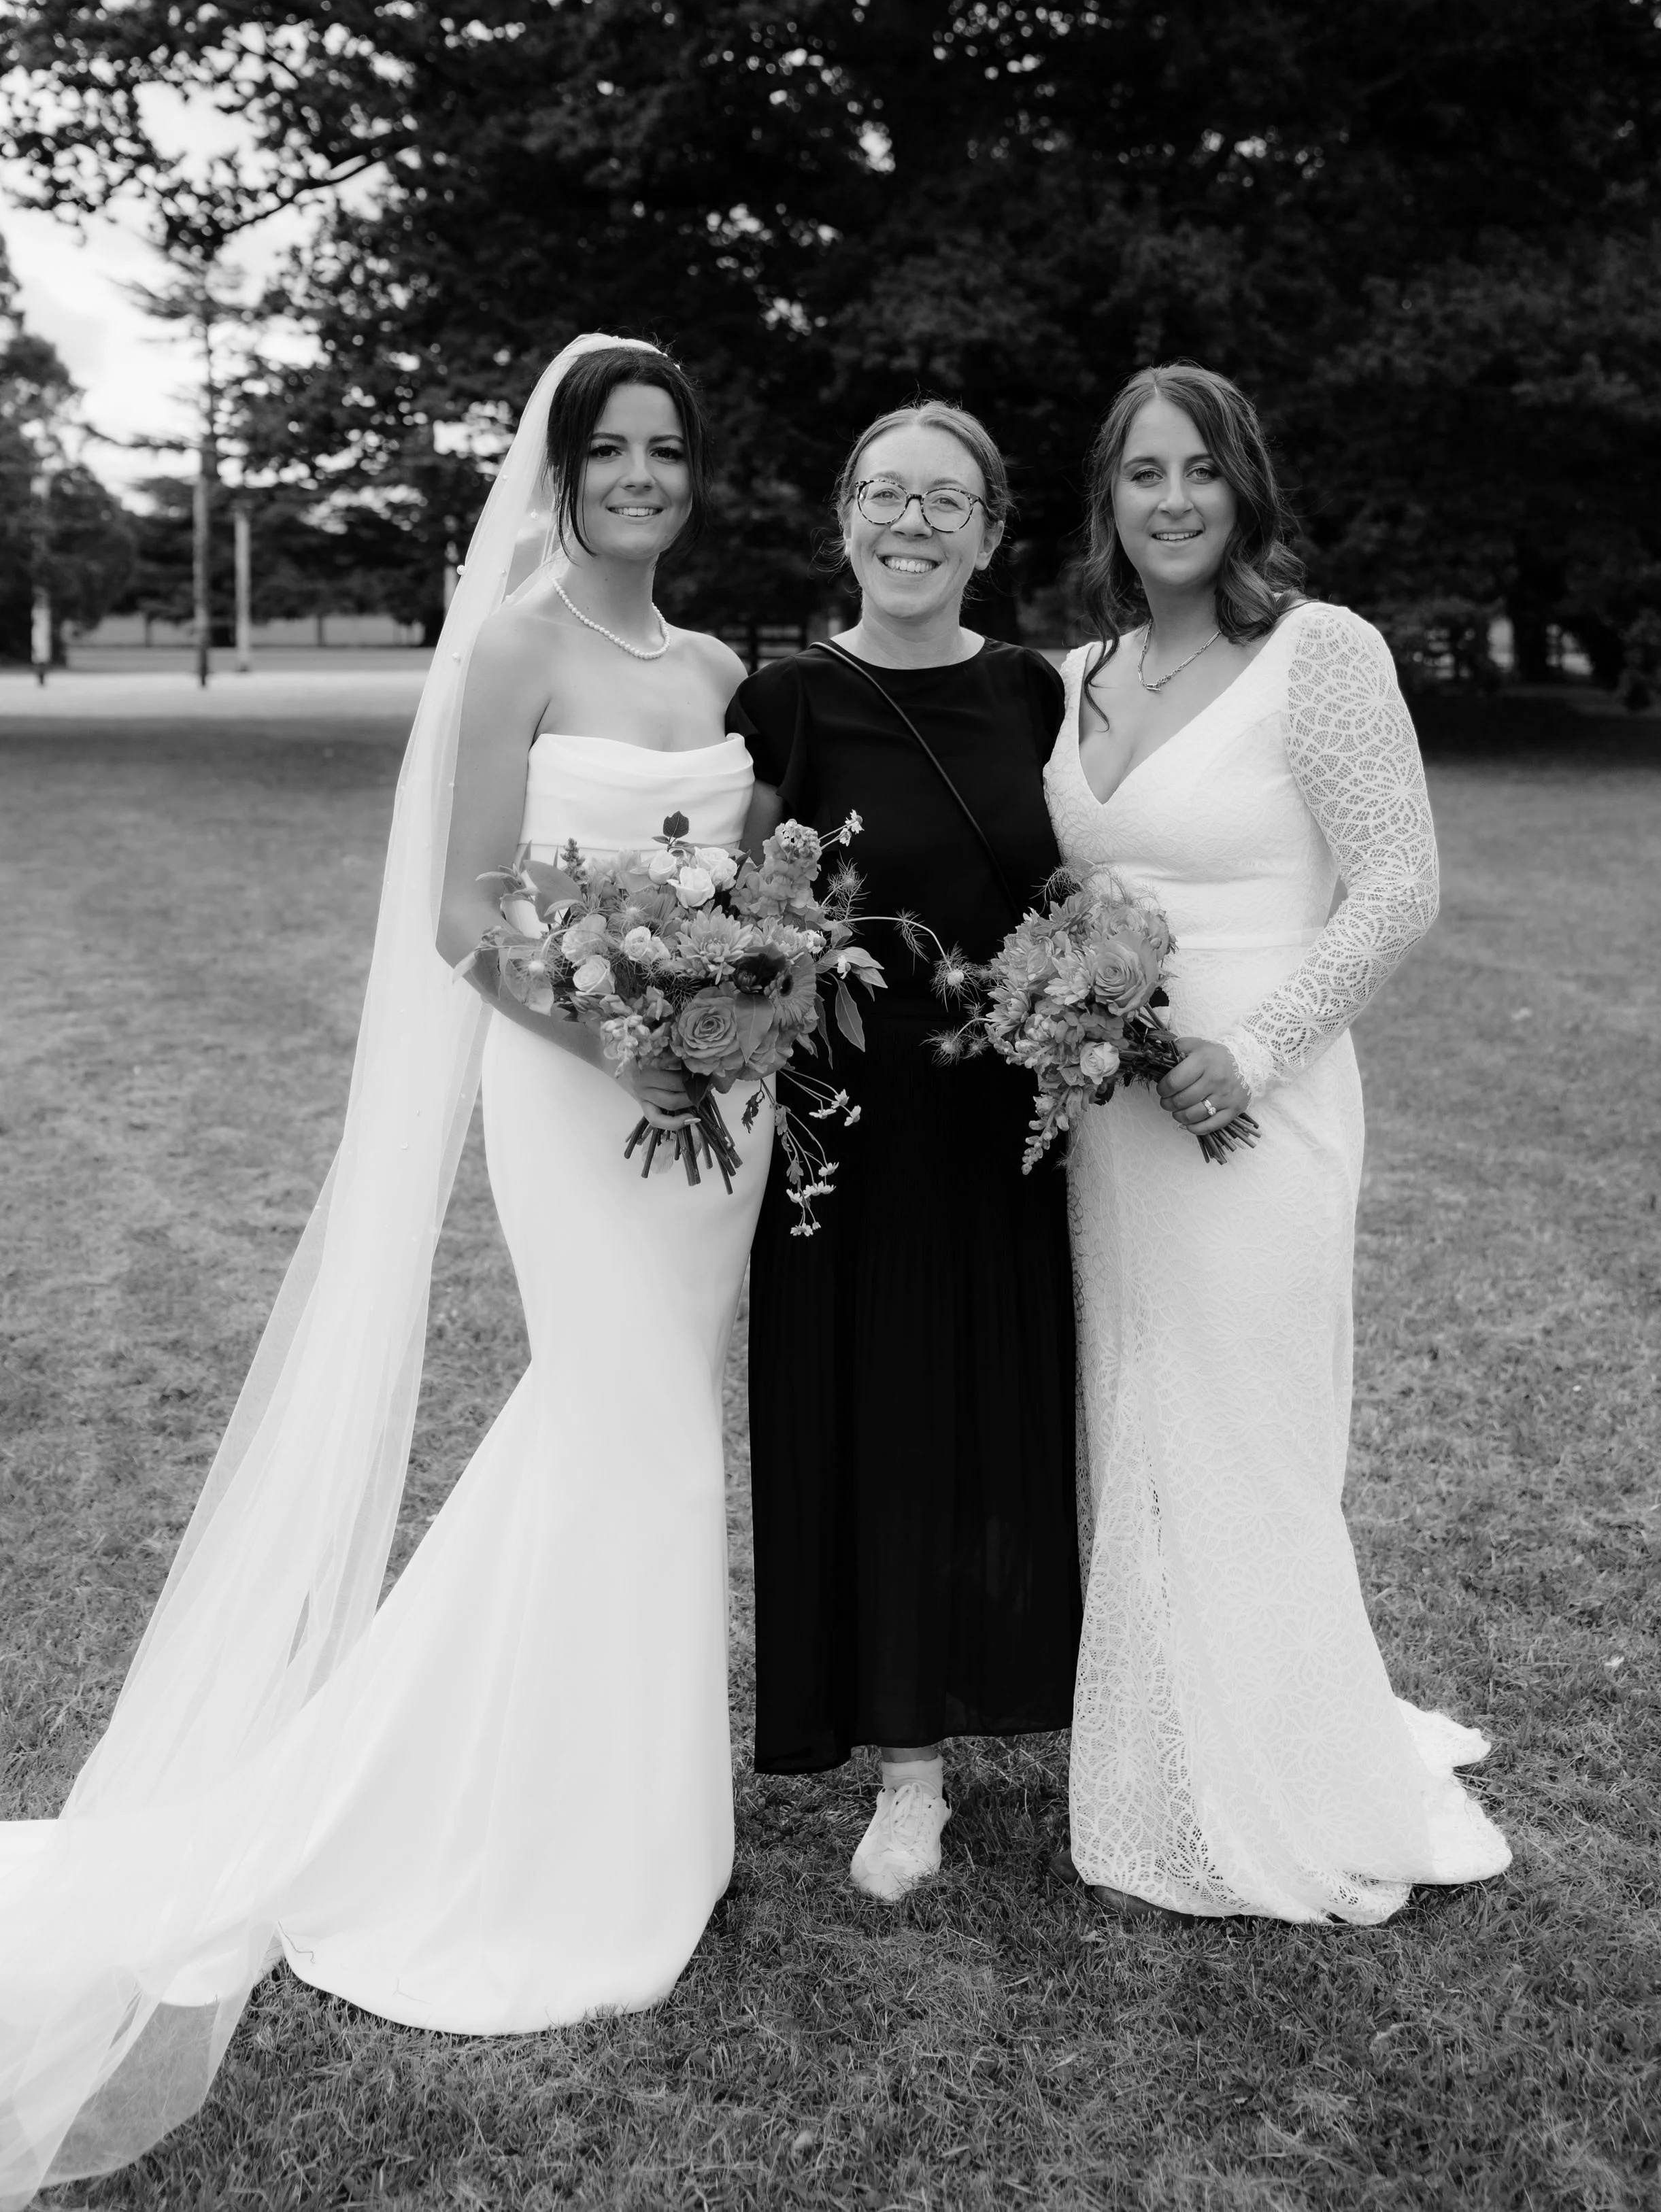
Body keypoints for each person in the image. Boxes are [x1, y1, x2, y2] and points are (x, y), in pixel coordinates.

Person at [0, 336, 771, 2205]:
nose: (645, 475)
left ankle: (611, 1796)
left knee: (619, 1451)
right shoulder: (514, 643)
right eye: (616, 449)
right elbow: (461, 916)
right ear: (565, 468)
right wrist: (624, 1042)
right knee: (645, 1443)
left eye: (671, 449)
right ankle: (572, 1851)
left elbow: (751, 890)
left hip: (717, 1114)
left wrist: (746, 1003)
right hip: (575, 1089)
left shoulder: (723, 668)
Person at [1043, 360, 1511, 1924]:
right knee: (1139, 1413)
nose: (1170, 502)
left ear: (1242, 489)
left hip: (1263, 1089)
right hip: (1115, 1111)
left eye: (1198, 472)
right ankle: (1166, 1742)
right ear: (1105, 498)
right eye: (1140, 474)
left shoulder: (1318, 651)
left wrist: (1256, 1048)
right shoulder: (1075, 677)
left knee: (1243, 1422)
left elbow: (1394, 885)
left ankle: (1286, 1772)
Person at [727, 403, 1081, 1904]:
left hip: (1003, 1127)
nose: (913, 524)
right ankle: (905, 1772)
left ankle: (1038, 1698)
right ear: (845, 521)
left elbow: (1081, 875)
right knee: (867, 1421)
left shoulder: (1036, 696)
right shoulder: (787, 699)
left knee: (996, 1419)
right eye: (885, 495)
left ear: (991, 534)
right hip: (847, 1141)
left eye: (947, 502)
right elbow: (733, 916)